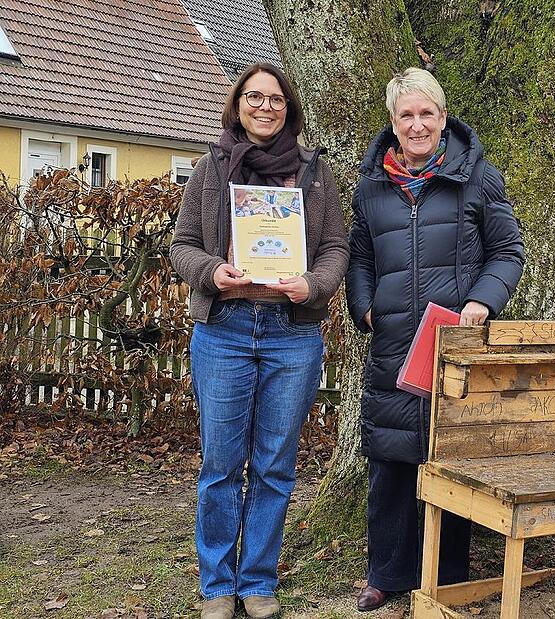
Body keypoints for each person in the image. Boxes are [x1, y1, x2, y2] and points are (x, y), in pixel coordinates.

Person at [171, 63, 348, 619]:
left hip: (291, 336)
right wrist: (212, 272)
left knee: (274, 465)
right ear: (238, 103)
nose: (264, 107)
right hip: (224, 330)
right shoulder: (209, 168)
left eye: (275, 99)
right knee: (220, 465)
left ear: (289, 107)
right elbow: (182, 245)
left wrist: (313, 284)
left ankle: (257, 582)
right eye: (254, 97)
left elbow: (337, 248)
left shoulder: (316, 175)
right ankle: (217, 586)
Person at [346, 67, 525, 611]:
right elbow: (359, 258)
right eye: (407, 115)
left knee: (450, 464)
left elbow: (507, 252)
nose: (418, 124)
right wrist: (365, 307)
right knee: (392, 463)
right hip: (394, 346)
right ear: (394, 124)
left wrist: (481, 302)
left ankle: (447, 576)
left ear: (443, 119)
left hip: (454, 349)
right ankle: (387, 573)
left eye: (427, 113)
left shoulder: (478, 177)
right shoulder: (372, 185)